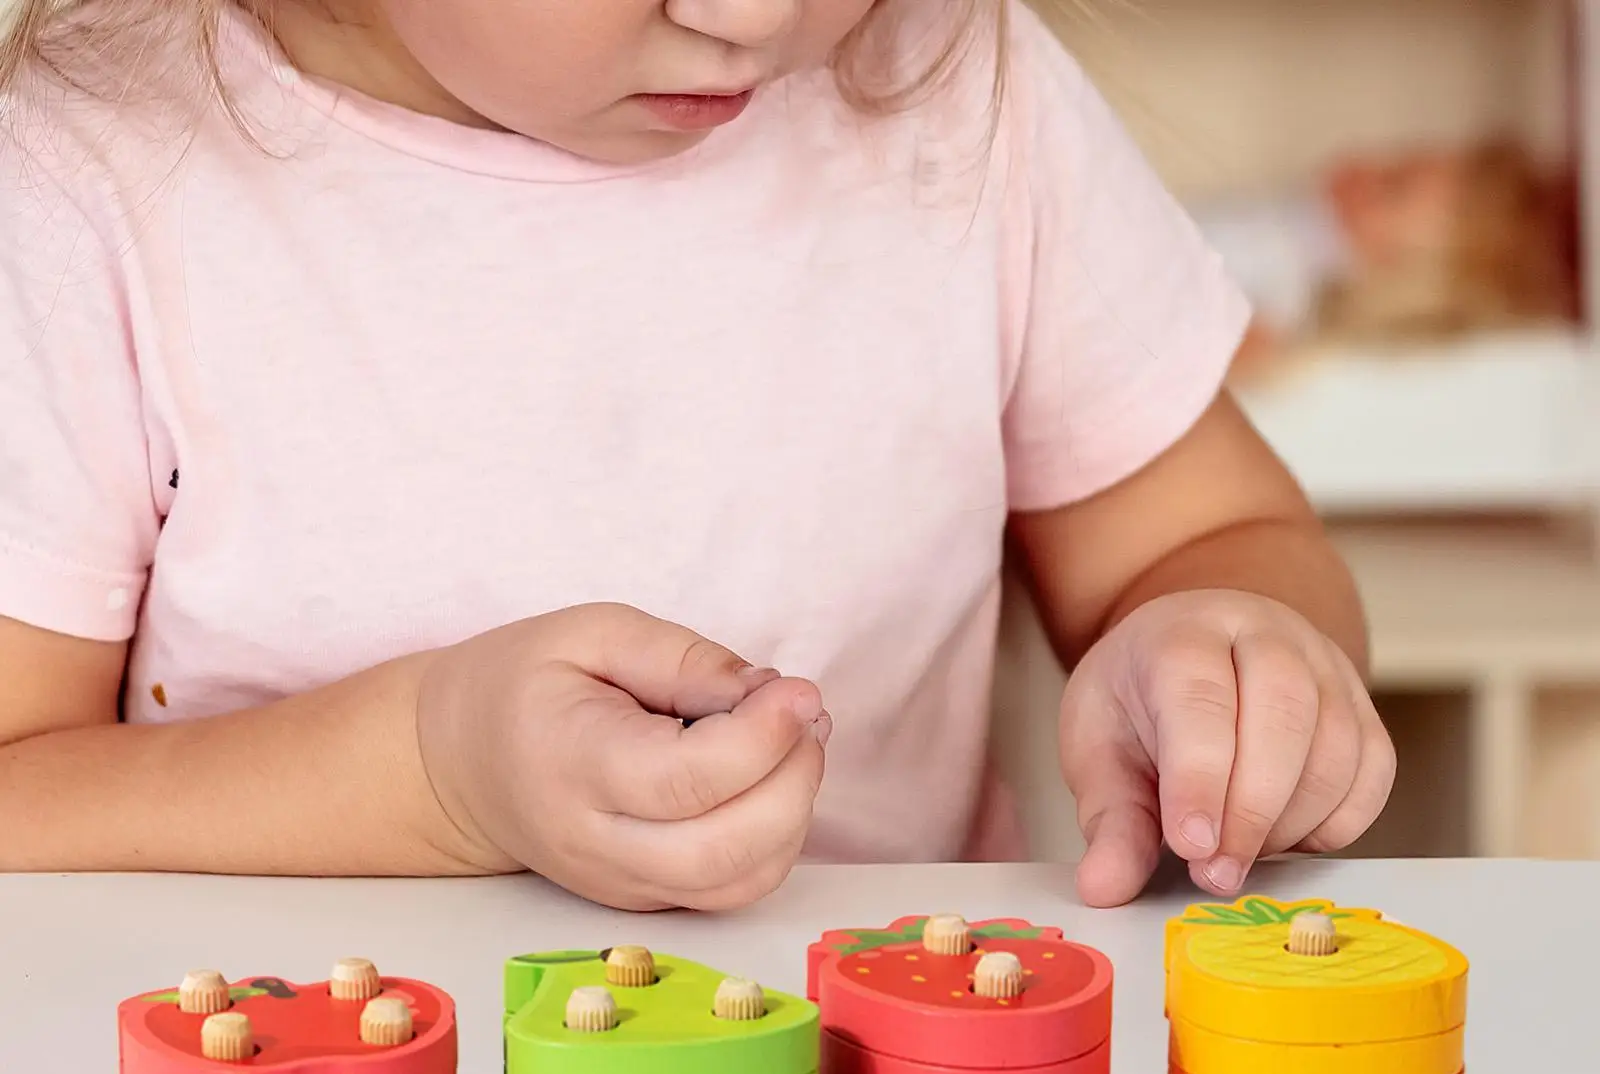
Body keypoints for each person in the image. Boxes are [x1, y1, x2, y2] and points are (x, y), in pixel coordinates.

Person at [0, 0, 1393, 912]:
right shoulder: (88, 181)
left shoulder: (961, 82)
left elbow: (1200, 539)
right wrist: (439, 776)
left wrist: (1232, 653)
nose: (754, 11)